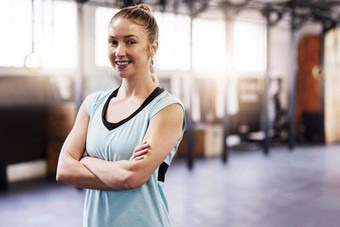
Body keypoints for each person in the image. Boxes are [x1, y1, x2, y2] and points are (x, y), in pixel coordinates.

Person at [56, 4, 186, 227]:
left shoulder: (167, 109)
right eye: (113, 42)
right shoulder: (93, 104)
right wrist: (120, 172)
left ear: (152, 48)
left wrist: (86, 160)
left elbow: (132, 178)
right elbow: (64, 169)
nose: (119, 51)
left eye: (130, 41)